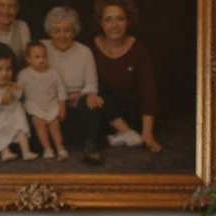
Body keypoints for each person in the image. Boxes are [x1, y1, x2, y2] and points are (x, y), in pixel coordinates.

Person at [90, 1, 160, 152]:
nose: (114, 25)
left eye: (120, 19)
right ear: (101, 23)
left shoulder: (139, 48)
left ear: (129, 21)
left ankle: (128, 133)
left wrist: (148, 134)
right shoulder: (90, 47)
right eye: (108, 19)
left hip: (131, 114)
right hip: (102, 111)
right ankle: (125, 135)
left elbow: (149, 93)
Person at [42, 6, 104, 165]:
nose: (62, 36)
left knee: (93, 101)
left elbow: (91, 85)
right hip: (50, 105)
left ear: (75, 31)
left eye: (67, 30)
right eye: (56, 31)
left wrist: (82, 95)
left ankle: (91, 146)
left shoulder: (84, 52)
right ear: (49, 32)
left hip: (77, 105)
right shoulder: (41, 49)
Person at [18, 40, 68, 159]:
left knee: (54, 125)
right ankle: (47, 148)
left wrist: (62, 106)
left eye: (44, 56)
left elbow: (61, 91)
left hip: (51, 104)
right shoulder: (24, 74)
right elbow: (19, 92)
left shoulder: (54, 73)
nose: (41, 60)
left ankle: (60, 147)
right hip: (34, 105)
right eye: (36, 57)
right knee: (39, 123)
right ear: (28, 59)